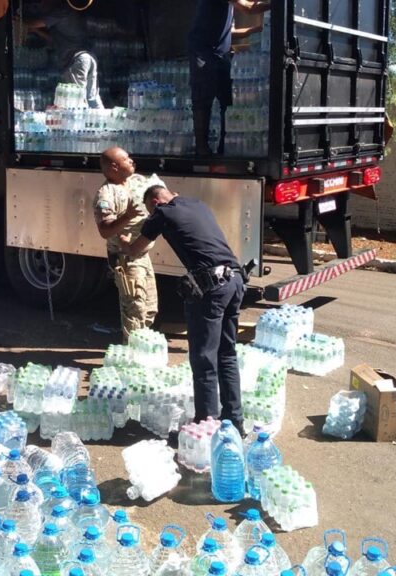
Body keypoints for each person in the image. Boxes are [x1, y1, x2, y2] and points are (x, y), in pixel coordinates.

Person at [120, 185, 244, 431]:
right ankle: (235, 421)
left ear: (155, 202)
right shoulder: (196, 202)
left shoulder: (162, 213)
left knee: (203, 359)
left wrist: (123, 241)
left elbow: (136, 248)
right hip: (236, 281)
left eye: (149, 208)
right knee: (226, 354)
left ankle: (206, 427)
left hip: (211, 288)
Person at [188, 0, 269, 155]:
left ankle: (224, 146)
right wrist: (276, 5)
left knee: (227, 99)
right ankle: (201, 147)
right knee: (203, 97)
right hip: (203, 50)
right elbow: (249, 8)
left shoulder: (226, 8)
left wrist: (256, 29)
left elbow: (230, 32)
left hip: (219, 54)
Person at [94, 147, 158, 343]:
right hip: (126, 259)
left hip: (142, 256)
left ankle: (142, 349)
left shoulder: (136, 182)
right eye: (126, 159)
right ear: (114, 166)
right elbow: (104, 230)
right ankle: (132, 356)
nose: (131, 161)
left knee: (149, 309)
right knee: (134, 311)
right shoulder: (106, 195)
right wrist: (127, 217)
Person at [24, 0, 104, 109]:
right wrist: (36, 31)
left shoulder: (61, 12)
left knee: (77, 100)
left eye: (42, 2)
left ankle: (81, 125)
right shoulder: (69, 14)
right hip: (89, 57)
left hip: (76, 59)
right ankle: (102, 121)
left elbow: (35, 23)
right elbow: (53, 40)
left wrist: (17, 22)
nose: (41, 5)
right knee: (92, 97)